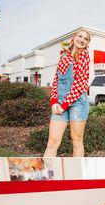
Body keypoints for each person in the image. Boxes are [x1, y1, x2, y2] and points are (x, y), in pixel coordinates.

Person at [43, 28, 91, 158]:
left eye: (85, 39)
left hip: (78, 103)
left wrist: (63, 106)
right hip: (60, 103)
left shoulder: (84, 56)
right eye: (80, 36)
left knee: (77, 141)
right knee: (52, 143)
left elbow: (80, 84)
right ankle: (45, 176)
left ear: (87, 44)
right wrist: (54, 102)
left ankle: (77, 176)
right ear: (74, 37)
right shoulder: (64, 56)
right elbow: (56, 80)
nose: (82, 40)